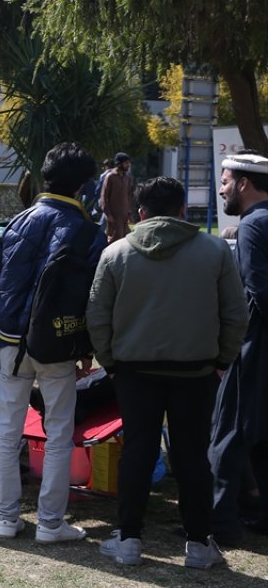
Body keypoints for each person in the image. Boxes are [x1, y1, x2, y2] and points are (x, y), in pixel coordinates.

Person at [89, 177, 247, 568]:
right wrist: (221, 361)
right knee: (193, 456)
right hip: (196, 370)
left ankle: (128, 538)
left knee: (137, 452)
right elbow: (235, 314)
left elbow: (97, 316)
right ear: (182, 210)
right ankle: (198, 542)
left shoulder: (117, 252)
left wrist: (109, 363)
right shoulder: (213, 250)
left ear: (140, 213)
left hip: (133, 369)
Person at [0, 143, 106, 543]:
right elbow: (93, 296)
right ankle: (51, 523)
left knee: (8, 432)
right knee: (58, 433)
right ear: (85, 185)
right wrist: (86, 346)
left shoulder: (18, 222)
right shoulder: (88, 230)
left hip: (11, 341)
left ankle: (6, 519)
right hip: (57, 344)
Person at [210, 151, 268, 544]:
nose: (222, 188)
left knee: (227, 431)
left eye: (227, 180)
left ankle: (218, 523)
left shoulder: (251, 226)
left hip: (253, 345)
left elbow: (257, 292)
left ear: (244, 184)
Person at [100, 152, 133, 243]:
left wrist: (129, 212)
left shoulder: (127, 178)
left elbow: (128, 195)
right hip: (114, 216)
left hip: (124, 216)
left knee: (125, 241)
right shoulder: (110, 177)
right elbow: (104, 197)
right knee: (113, 241)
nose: (128, 165)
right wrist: (108, 214)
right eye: (126, 163)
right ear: (119, 163)